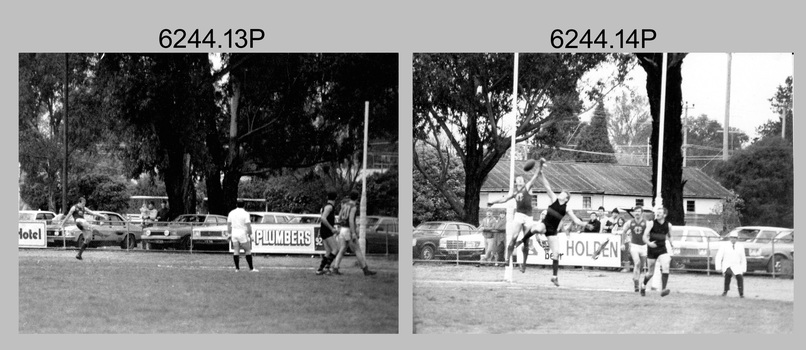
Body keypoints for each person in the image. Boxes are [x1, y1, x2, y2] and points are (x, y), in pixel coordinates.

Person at [520, 164, 591, 285]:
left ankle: (554, 276)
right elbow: (547, 186)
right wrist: (541, 173)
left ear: (567, 198)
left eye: (563, 193)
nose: (561, 193)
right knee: (537, 228)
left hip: (553, 230)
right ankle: (521, 240)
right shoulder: (554, 198)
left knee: (556, 253)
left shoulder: (567, 208)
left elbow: (576, 221)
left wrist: (585, 224)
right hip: (545, 224)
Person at [486, 159, 544, 267]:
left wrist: (539, 166)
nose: (521, 181)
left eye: (522, 179)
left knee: (526, 241)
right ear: (516, 182)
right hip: (519, 214)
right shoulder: (514, 192)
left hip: (528, 216)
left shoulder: (527, 187)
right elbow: (503, 199)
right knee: (514, 236)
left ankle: (524, 263)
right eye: (519, 180)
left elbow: (534, 177)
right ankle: (508, 259)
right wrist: (492, 202)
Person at [332, 191, 376, 276]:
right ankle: (365, 269)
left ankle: (335, 267)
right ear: (357, 198)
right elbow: (351, 221)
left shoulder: (345, 205)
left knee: (343, 248)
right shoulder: (353, 207)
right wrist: (353, 233)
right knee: (357, 250)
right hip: (348, 229)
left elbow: (340, 216)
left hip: (342, 229)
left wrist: (342, 223)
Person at [640, 206, 674, 297]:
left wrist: (672, 243)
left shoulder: (669, 225)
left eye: (659, 212)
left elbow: (670, 236)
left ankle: (663, 289)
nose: (657, 214)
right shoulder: (651, 223)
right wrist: (649, 243)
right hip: (652, 249)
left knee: (666, 265)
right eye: (656, 212)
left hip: (662, 248)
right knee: (650, 272)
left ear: (665, 215)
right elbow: (644, 237)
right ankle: (643, 286)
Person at [225, 200, 257, 272]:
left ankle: (237, 268)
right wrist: (250, 234)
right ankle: (251, 268)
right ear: (244, 205)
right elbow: (248, 225)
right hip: (242, 234)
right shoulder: (245, 214)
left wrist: (229, 234)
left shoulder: (231, 213)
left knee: (236, 251)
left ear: (236, 205)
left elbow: (229, 224)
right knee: (247, 251)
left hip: (234, 233)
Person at [624, 206, 648, 292]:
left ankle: (635, 279)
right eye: (635, 211)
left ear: (642, 213)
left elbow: (651, 233)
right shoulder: (630, 222)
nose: (637, 213)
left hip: (643, 246)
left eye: (638, 211)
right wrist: (623, 242)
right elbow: (624, 231)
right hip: (634, 245)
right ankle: (636, 284)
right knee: (637, 263)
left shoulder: (646, 223)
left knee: (641, 267)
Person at [716, 231, 747, 298]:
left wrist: (743, 268)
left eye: (735, 238)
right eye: (732, 238)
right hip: (727, 265)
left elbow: (743, 258)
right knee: (728, 274)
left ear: (737, 238)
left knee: (739, 277)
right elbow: (719, 256)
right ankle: (725, 291)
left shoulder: (740, 246)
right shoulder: (724, 245)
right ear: (730, 238)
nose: (733, 239)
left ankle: (741, 293)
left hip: (736, 265)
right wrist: (718, 267)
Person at [316, 191, 340, 275]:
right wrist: (332, 228)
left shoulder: (326, 206)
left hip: (323, 230)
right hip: (326, 230)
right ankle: (327, 267)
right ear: (335, 198)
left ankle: (320, 269)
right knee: (335, 249)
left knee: (328, 251)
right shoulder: (329, 207)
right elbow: (323, 218)